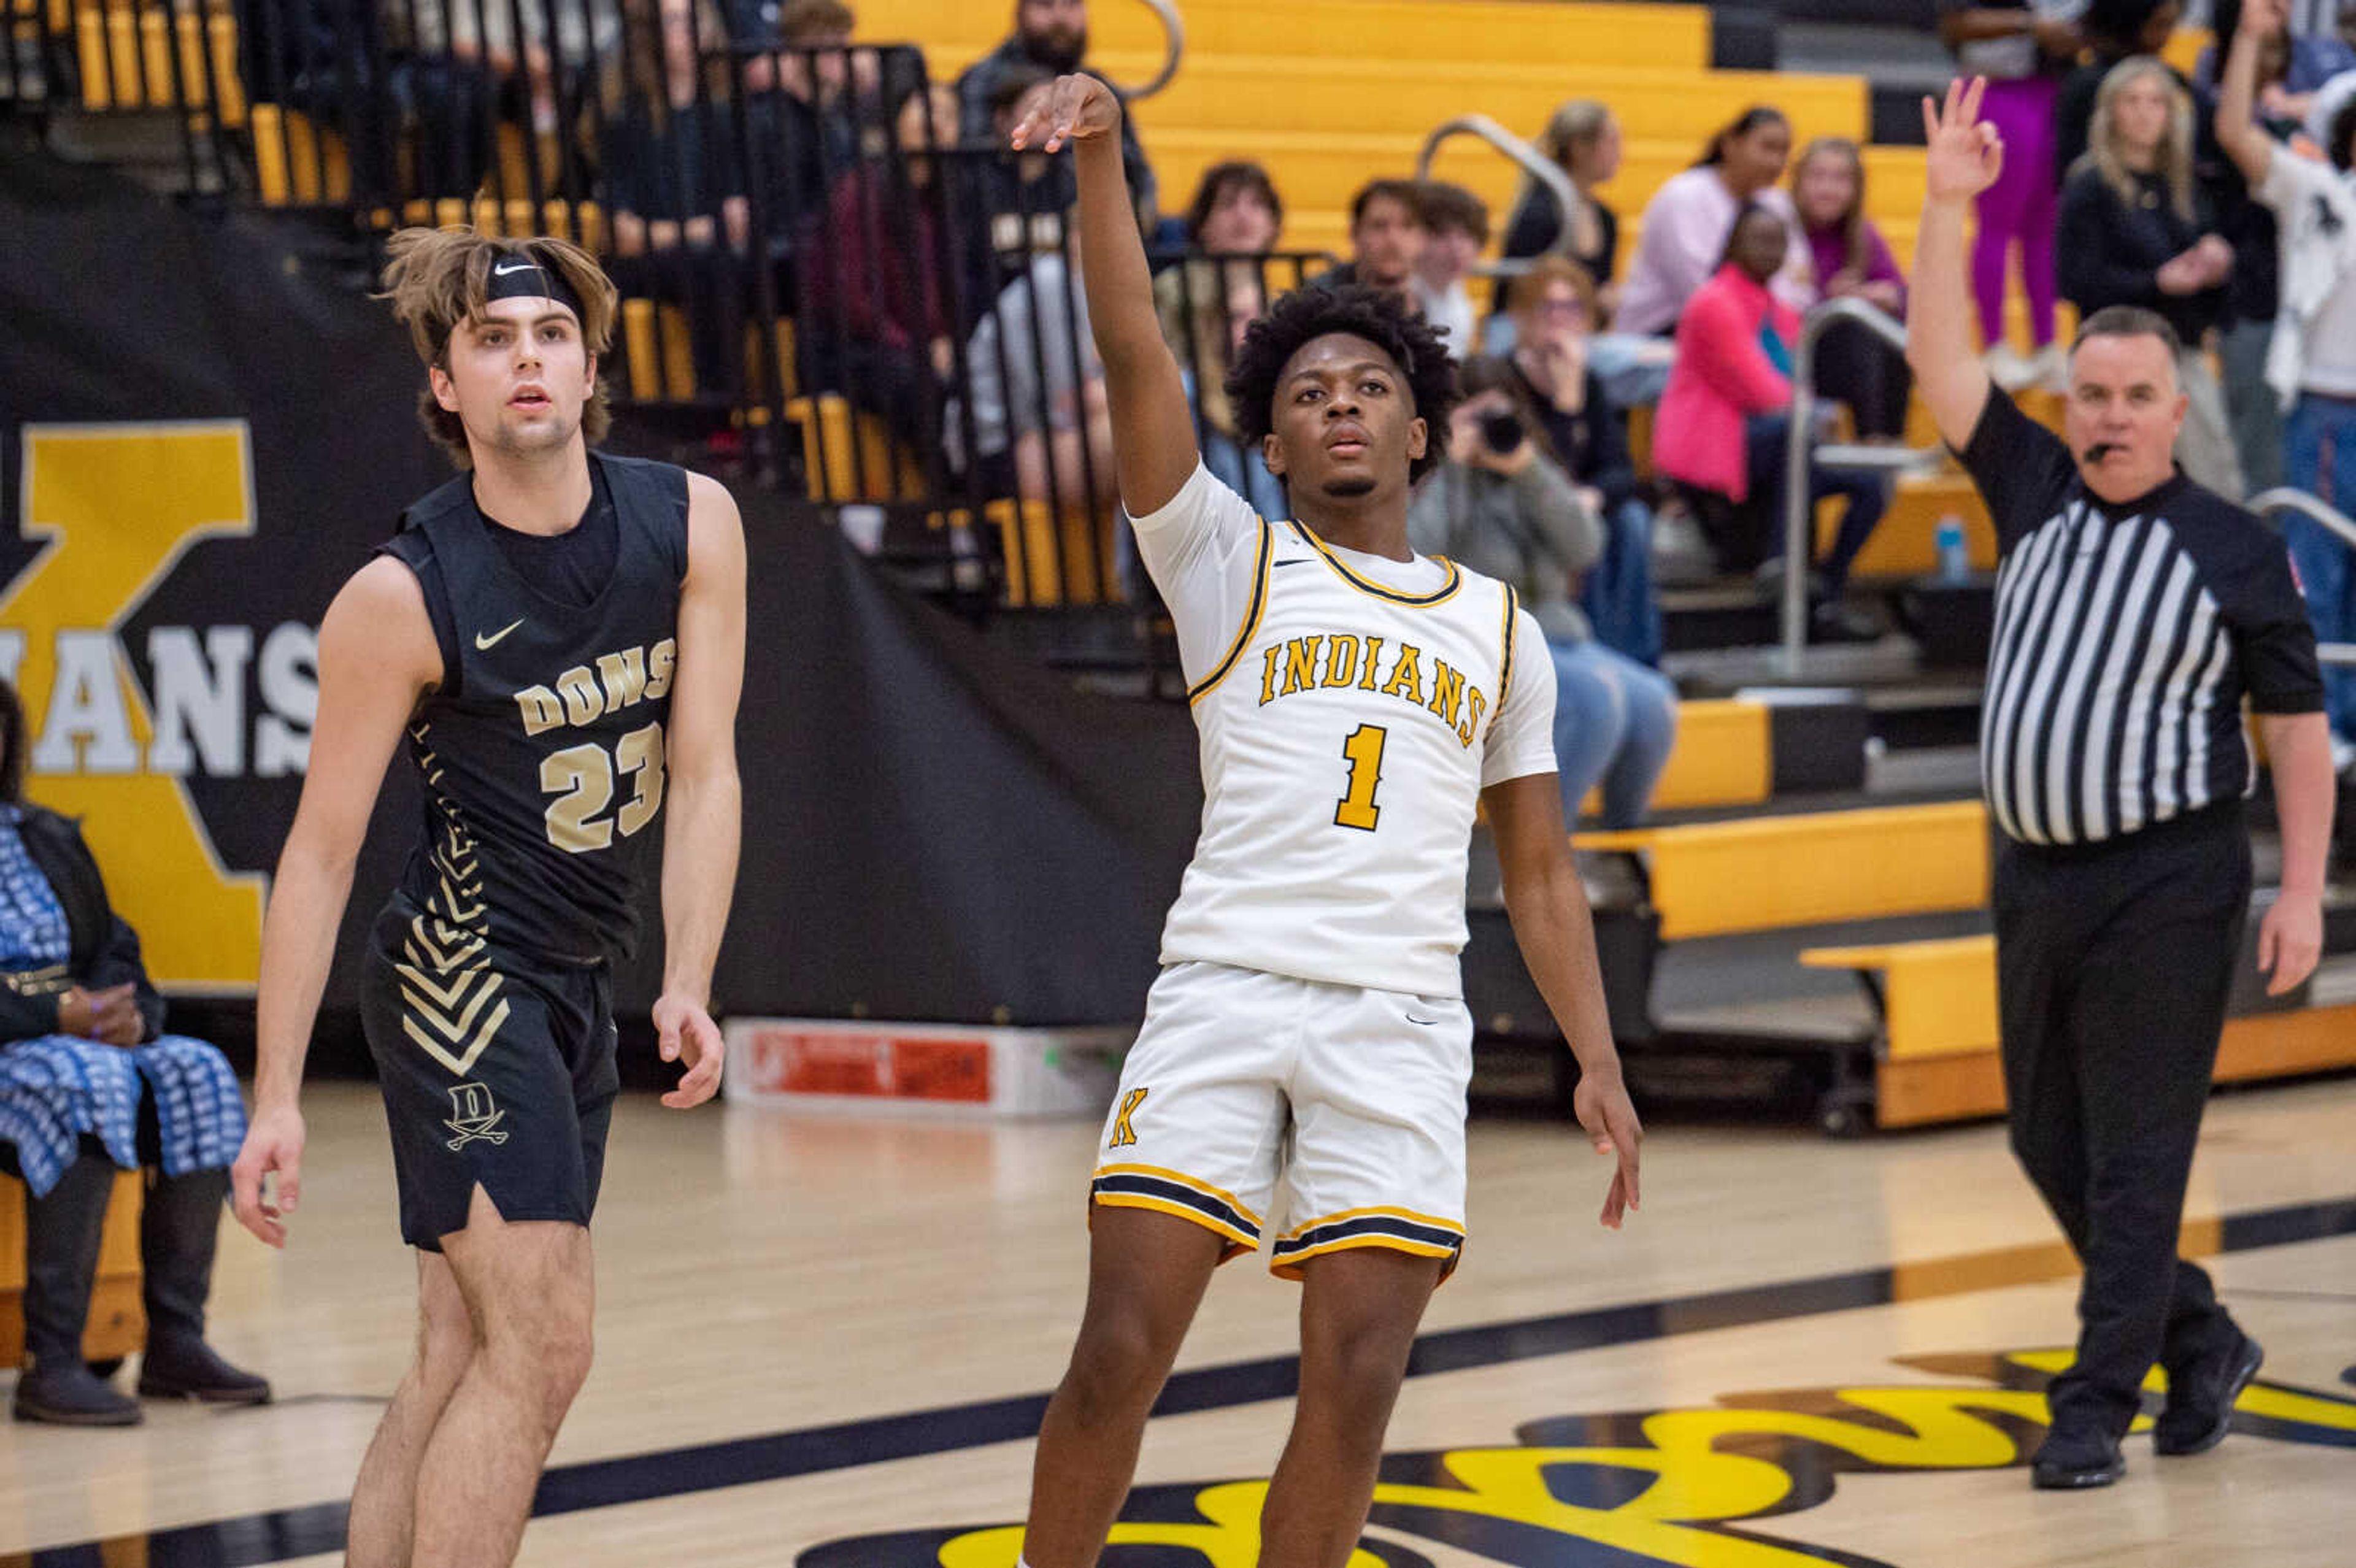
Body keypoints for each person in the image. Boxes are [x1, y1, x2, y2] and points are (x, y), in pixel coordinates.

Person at [1004, 74, 1641, 1568]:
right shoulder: (1225, 561)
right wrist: (1102, 156)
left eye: (1366, 386)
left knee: (1354, 1385)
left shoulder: (1500, 630)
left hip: (1399, 1016)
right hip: (1224, 988)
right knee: (1117, 1350)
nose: (1337, 403)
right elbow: (1127, 346)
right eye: (1305, 394)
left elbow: (1539, 873)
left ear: (1421, 432)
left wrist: (1597, 1060)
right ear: (1271, 451)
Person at [229, 229, 745, 1568]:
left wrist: (686, 976)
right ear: (447, 387)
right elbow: (318, 856)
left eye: (551, 337)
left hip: (577, 975)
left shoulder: (694, 521)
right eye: (493, 341)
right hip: (458, 978)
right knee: (547, 1343)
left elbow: (702, 772)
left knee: (459, 1349)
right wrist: (277, 1095)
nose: (528, 359)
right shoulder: (400, 595)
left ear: (590, 367)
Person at [1909, 76, 2333, 1491]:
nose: (2104, 417)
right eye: (2086, 393)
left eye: (2130, 397)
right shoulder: (2024, 483)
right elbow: (1942, 358)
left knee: (2138, 1157)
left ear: (2170, 407)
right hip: (2029, 875)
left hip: (2170, 878)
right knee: (2047, 1141)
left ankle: (2093, 1403)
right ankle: (2197, 1336)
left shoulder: (2229, 547)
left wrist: (2295, 888)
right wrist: (1944, 209)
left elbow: (2290, 724)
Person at [0, 677, 264, 1426]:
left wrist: (129, 1018)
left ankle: (176, 1340)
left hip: (74, 1046)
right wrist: (52, 1012)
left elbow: (115, 949)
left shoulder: (46, 836)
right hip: (23, 1047)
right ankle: (53, 1362)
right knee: (82, 1078)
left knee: (197, 1070)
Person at [1409, 356, 1677, 832]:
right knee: (1596, 701)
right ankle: (1539, 860)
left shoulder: (1529, 467)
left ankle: (1621, 844)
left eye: (1501, 413)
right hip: (1480, 645)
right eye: (1477, 417)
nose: (1492, 429)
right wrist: (1450, 465)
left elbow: (1585, 546)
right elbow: (1416, 556)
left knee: (1654, 702)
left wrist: (1528, 470)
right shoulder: (1434, 481)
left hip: (1556, 636)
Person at [2217, 0, 2356, 761]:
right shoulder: (2316, 189)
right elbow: (2236, 135)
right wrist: (2246, 42)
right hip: (2329, 411)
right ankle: (2327, 738)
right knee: (2324, 579)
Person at [1653, 204, 1890, 639]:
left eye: (1779, 242)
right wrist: (1818, 414)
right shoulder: (1713, 302)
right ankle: (1780, 563)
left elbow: (1797, 390)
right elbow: (1763, 392)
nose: (1771, 250)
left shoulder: (1778, 310)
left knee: (1871, 483)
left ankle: (1829, 592)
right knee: (1797, 430)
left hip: (1775, 444)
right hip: (1715, 445)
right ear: (1733, 244)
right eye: (1759, 239)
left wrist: (1814, 412)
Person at [2057, 56, 2249, 498]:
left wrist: (2215, 262)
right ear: (2111, 111)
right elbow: (2076, 280)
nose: (2145, 113)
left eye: (2156, 102)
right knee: (2122, 482)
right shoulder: (2089, 185)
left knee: (2214, 480)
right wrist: (2156, 283)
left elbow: (2205, 273)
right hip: (2117, 356)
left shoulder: (2183, 184)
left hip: (2181, 348)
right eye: (2132, 101)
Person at [1505, 256, 1662, 666]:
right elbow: (1540, 472)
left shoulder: (1587, 380)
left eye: (1571, 309)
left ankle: (1633, 657)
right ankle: (1594, 651)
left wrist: (1591, 495)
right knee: (1576, 527)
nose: (1560, 320)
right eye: (1547, 308)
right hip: (1521, 510)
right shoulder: (1503, 379)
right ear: (1522, 317)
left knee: (1631, 519)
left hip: (1575, 509)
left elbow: (1621, 470)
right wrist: (1567, 408)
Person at [599, 0, 749, 401]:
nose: (686, 32)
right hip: (643, 266)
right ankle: (717, 405)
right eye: (673, 22)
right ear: (651, 35)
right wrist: (697, 229)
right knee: (709, 265)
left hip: (714, 254)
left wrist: (685, 231)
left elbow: (740, 219)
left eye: (694, 21)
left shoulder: (728, 110)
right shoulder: (627, 115)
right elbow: (621, 235)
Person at [1937, 1, 2081, 390]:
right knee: (1997, 224)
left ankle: (2047, 347)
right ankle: (1993, 347)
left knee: (2043, 229)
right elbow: (1956, 22)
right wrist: (2032, 26)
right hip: (1996, 88)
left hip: (2051, 89)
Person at [1153, 161, 1288, 519]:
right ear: (1203, 225)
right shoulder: (1172, 291)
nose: (1243, 216)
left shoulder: (1285, 304)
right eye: (1228, 204)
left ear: (1273, 223)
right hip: (1196, 437)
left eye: (1256, 204)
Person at [956, 0, 1157, 228]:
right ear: (1021, 13)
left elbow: (1139, 180)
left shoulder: (1099, 87)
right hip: (1000, 239)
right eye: (1045, 5)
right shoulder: (982, 82)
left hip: (1089, 242)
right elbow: (967, 179)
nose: (1060, 17)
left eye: (1072, 4)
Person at [1615, 106, 1811, 337]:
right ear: (1731, 144)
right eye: (1767, 148)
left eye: (1784, 151)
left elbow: (1799, 283)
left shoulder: (1779, 204)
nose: (1776, 162)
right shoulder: (1684, 196)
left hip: (1759, 331)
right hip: (1663, 335)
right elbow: (1697, 290)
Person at [1790, 137, 1914, 441]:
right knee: (1858, 327)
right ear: (1798, 181)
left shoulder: (1862, 233)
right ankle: (1873, 443)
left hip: (1852, 358)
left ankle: (1887, 444)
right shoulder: (1780, 228)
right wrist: (1833, 300)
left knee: (1887, 331)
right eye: (1817, 177)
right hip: (1796, 351)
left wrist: (1882, 296)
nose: (1828, 189)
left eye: (1840, 179)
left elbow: (1904, 296)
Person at [1498, 99, 1622, 320]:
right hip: (1523, 326)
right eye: (1612, 142)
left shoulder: (1606, 217)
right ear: (1579, 148)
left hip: (1576, 328)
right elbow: (1520, 294)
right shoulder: (1540, 213)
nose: (1621, 153)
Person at [1319, 177, 1428, 310]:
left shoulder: (1434, 295)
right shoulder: (1323, 301)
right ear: (1355, 233)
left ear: (1423, 237)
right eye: (1379, 226)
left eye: (1407, 226)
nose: (1393, 239)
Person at [1411, 180, 1489, 359]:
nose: (1456, 248)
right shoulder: (1403, 294)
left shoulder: (1459, 298)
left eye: (1465, 236)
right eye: (1442, 235)